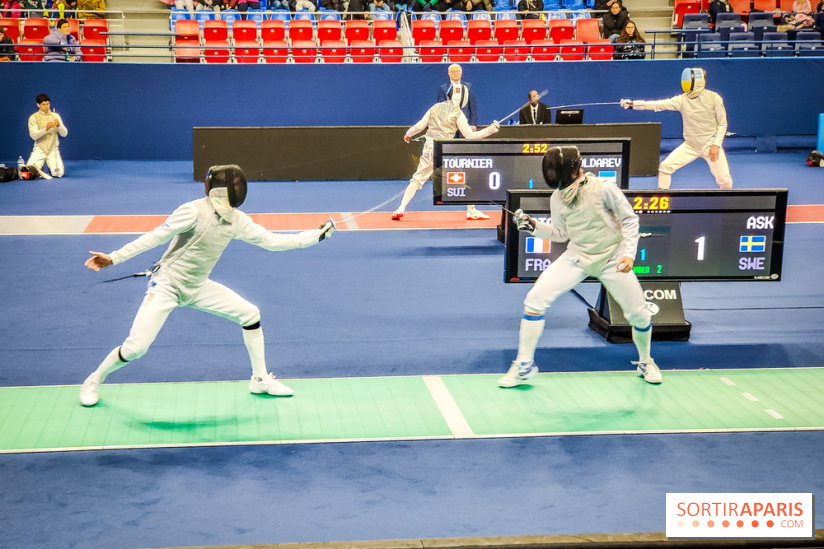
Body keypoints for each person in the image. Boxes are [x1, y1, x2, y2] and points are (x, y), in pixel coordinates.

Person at [78, 165, 337, 407]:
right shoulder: (193, 211)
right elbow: (156, 236)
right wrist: (114, 257)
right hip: (167, 285)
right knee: (136, 348)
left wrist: (315, 236)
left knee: (250, 314)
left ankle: (260, 380)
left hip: (198, 286)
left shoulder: (237, 220)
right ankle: (93, 380)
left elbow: (272, 242)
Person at [498, 145, 661, 389]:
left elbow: (629, 219)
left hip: (612, 258)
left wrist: (629, 254)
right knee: (534, 300)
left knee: (639, 314)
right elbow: (561, 233)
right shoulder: (557, 197)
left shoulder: (603, 188)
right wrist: (533, 226)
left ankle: (646, 361)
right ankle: (524, 364)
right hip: (578, 256)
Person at [621, 68, 732, 190]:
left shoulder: (714, 98)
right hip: (691, 145)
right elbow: (658, 104)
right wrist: (633, 104)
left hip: (709, 145)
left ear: (697, 81)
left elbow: (722, 124)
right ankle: (662, 197)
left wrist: (716, 144)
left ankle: (728, 199)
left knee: (724, 179)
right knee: (665, 167)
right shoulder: (682, 99)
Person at [391, 101, 500, 220]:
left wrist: (408, 134)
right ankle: (471, 211)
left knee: (417, 179)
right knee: (462, 178)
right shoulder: (457, 113)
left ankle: (401, 208)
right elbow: (470, 135)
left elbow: (420, 125)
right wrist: (490, 130)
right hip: (445, 151)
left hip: (430, 148)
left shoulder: (435, 107)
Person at [435, 64, 490, 221]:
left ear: (461, 72)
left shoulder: (468, 87)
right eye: (452, 72)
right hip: (449, 128)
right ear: (448, 74)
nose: (455, 74)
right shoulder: (442, 88)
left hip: (465, 127)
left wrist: (473, 123)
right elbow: (439, 108)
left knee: (467, 157)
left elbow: (473, 106)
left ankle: (471, 207)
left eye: (457, 71)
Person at [27, 93, 68, 179]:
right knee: (29, 172)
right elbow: (34, 136)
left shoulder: (55, 116)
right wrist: (46, 129)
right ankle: (40, 168)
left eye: (48, 104)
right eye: (43, 104)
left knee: (59, 173)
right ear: (38, 105)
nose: (46, 106)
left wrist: (59, 126)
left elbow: (64, 134)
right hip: (40, 149)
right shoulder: (33, 117)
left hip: (53, 150)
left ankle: (48, 168)